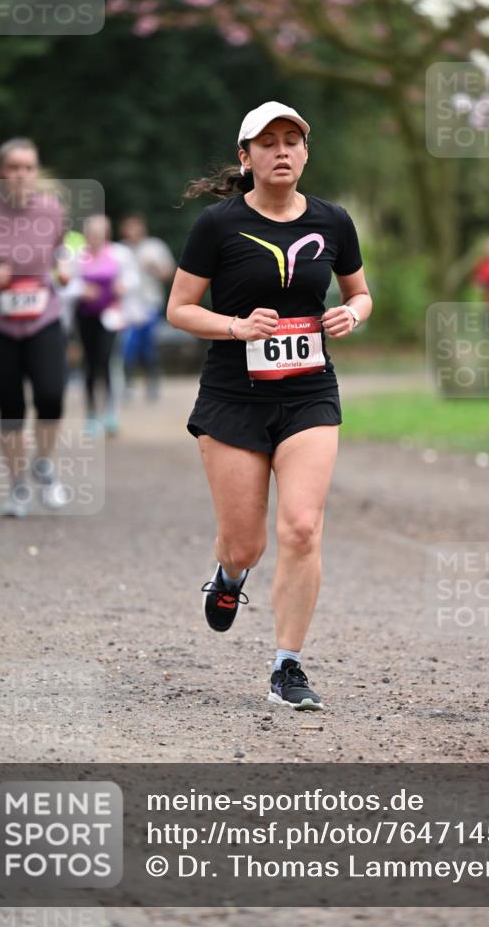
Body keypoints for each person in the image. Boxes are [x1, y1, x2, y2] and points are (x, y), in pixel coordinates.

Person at [167, 101, 372, 711]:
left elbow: (361, 294)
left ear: (306, 153)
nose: (281, 151)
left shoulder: (334, 221)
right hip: (233, 396)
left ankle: (288, 665)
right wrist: (236, 327)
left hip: (309, 392)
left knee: (303, 526)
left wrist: (350, 313)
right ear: (246, 157)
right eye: (268, 143)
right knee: (244, 544)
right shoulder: (217, 225)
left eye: (292, 141)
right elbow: (179, 309)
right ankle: (229, 578)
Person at [0, 137, 68, 516]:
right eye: (14, 168)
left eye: (28, 168)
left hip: (43, 318)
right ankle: (18, 486)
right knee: (11, 408)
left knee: (52, 396)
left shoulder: (52, 211)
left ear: (35, 173)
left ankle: (44, 464)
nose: (21, 175)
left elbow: (60, 249)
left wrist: (64, 265)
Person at [74, 214, 126, 436]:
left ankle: (111, 414)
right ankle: (91, 414)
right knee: (89, 364)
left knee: (106, 361)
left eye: (99, 233)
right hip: (85, 316)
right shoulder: (76, 256)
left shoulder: (119, 254)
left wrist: (123, 286)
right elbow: (66, 282)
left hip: (110, 315)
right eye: (91, 233)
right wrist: (81, 290)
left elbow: (131, 279)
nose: (95, 237)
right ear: (86, 235)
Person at [119, 213, 176, 402]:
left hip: (150, 303)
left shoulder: (155, 246)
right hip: (127, 306)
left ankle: (152, 383)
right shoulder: (121, 250)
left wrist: (155, 268)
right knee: (128, 346)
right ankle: (128, 384)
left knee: (148, 346)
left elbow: (169, 273)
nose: (133, 232)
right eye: (129, 227)